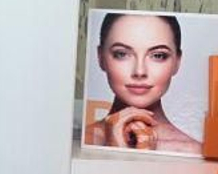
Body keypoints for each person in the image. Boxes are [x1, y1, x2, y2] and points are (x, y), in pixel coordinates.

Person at [84, 12, 202, 155]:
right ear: (100, 57)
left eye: (158, 56)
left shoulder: (194, 151)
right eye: (121, 54)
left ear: (177, 62)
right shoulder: (75, 141)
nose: (139, 71)